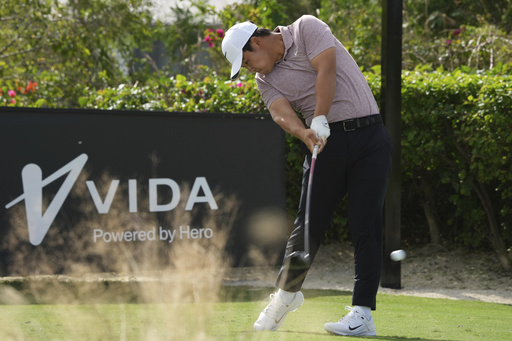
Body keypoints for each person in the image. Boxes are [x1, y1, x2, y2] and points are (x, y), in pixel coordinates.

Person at [221, 15, 392, 337]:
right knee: (308, 225)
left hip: (370, 138)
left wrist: (321, 116)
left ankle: (362, 314)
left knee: (365, 224)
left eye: (247, 61)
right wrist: (303, 131)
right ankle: (286, 296)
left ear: (256, 42)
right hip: (325, 143)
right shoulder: (265, 79)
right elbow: (279, 111)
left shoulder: (306, 28)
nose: (251, 69)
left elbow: (326, 70)